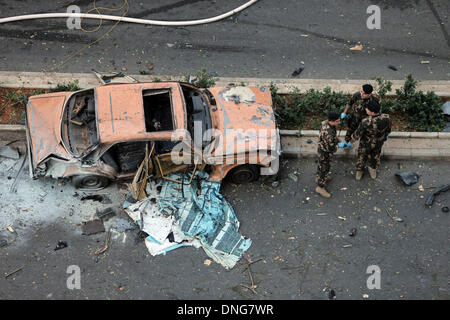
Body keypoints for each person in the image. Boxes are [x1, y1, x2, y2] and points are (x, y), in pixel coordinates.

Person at [347, 100, 391, 180]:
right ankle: (372, 171)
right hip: (378, 143)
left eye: (367, 109)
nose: (366, 110)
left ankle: (359, 172)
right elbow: (388, 130)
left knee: (362, 157)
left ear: (373, 112)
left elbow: (356, 135)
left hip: (365, 144)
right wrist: (385, 136)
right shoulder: (386, 118)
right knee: (375, 156)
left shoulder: (366, 122)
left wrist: (350, 142)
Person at [316, 112, 346, 198]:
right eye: (337, 121)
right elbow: (331, 148)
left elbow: (332, 136)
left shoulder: (325, 123)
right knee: (325, 168)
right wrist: (339, 145)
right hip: (325, 152)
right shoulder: (328, 134)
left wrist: (338, 140)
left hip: (321, 148)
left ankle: (318, 177)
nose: (339, 123)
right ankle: (320, 187)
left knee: (321, 165)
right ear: (332, 121)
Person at [340, 84, 380, 149]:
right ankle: (347, 144)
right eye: (361, 91)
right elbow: (349, 103)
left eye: (364, 93)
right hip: (354, 119)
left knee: (363, 136)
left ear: (369, 94)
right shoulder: (357, 95)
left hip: (365, 122)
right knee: (349, 133)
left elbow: (376, 113)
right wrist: (344, 113)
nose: (361, 94)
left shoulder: (374, 101)